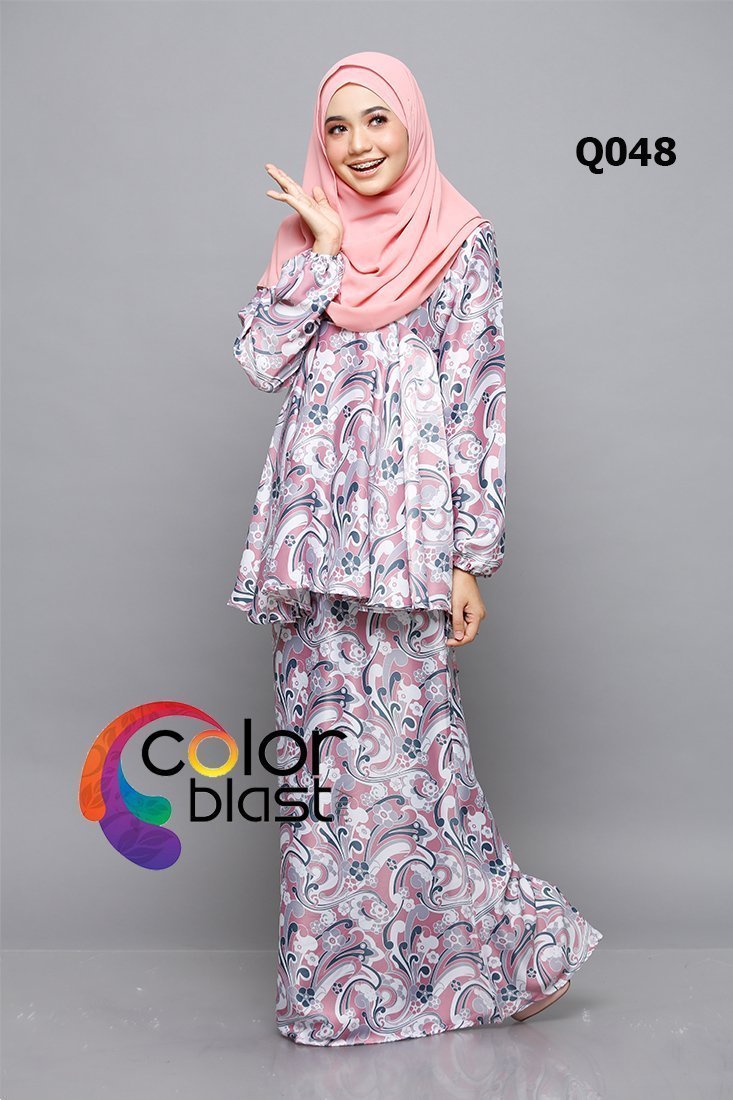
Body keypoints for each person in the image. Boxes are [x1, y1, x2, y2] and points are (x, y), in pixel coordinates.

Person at [227, 51, 603, 1047]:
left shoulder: (461, 239)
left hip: (404, 542)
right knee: (322, 765)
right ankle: (334, 995)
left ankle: (504, 960)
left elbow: (479, 401)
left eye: (376, 120)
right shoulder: (308, 233)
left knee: (414, 764)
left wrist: (470, 558)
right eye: (337, 126)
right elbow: (259, 360)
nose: (357, 145)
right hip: (311, 538)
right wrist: (319, 251)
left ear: (411, 126)